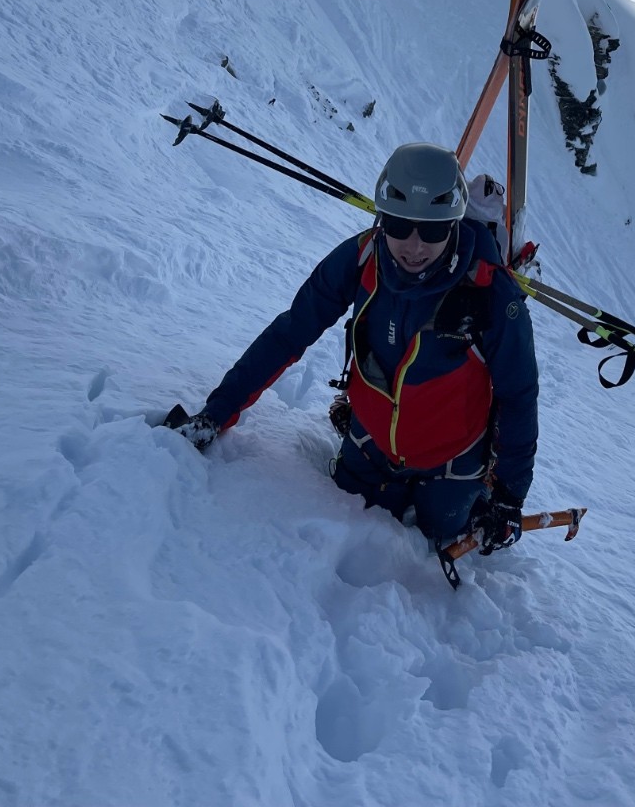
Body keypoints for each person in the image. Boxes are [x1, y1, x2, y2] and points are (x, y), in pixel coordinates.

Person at [167, 143, 539, 556]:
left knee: (440, 533)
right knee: (348, 513)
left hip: (452, 462)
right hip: (370, 445)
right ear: (382, 220)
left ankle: (479, 490)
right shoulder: (363, 258)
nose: (414, 246)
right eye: (399, 225)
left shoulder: (491, 294)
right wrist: (217, 412)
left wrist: (509, 498)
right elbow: (290, 333)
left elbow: (518, 395)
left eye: (432, 231)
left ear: (453, 224)